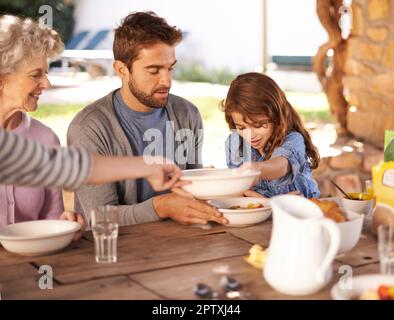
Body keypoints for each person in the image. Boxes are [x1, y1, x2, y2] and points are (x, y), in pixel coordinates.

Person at [0, 15, 186, 235]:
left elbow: (61, 165)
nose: (47, 84)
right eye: (35, 74)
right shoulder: (89, 125)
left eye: (46, 72)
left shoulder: (28, 142)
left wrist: (63, 229)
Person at [67, 11, 227, 226]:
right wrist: (161, 207)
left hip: (183, 241)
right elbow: (99, 218)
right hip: (118, 251)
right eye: (154, 70)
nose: (167, 81)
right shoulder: (89, 128)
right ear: (122, 70)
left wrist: (233, 193)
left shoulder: (187, 114)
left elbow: (192, 189)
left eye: (170, 68)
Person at [221, 72, 320, 198]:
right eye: (241, 127)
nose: (250, 135)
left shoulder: (292, 139)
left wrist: (256, 169)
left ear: (276, 116)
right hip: (257, 214)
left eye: (258, 125)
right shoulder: (235, 143)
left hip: (300, 213)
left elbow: (281, 165)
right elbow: (237, 192)